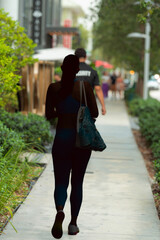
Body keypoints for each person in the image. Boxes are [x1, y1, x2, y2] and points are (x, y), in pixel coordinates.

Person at [45, 54, 98, 239]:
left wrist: (62, 111)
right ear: (77, 69)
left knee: (60, 181)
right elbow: (96, 113)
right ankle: (73, 223)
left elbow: (48, 115)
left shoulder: (53, 88)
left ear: (61, 68)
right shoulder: (84, 87)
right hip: (81, 142)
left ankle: (60, 210)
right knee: (77, 182)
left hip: (61, 138)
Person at [74, 48, 106, 115]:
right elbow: (98, 89)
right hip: (88, 103)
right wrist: (103, 106)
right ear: (85, 57)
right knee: (89, 122)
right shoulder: (93, 71)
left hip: (73, 103)